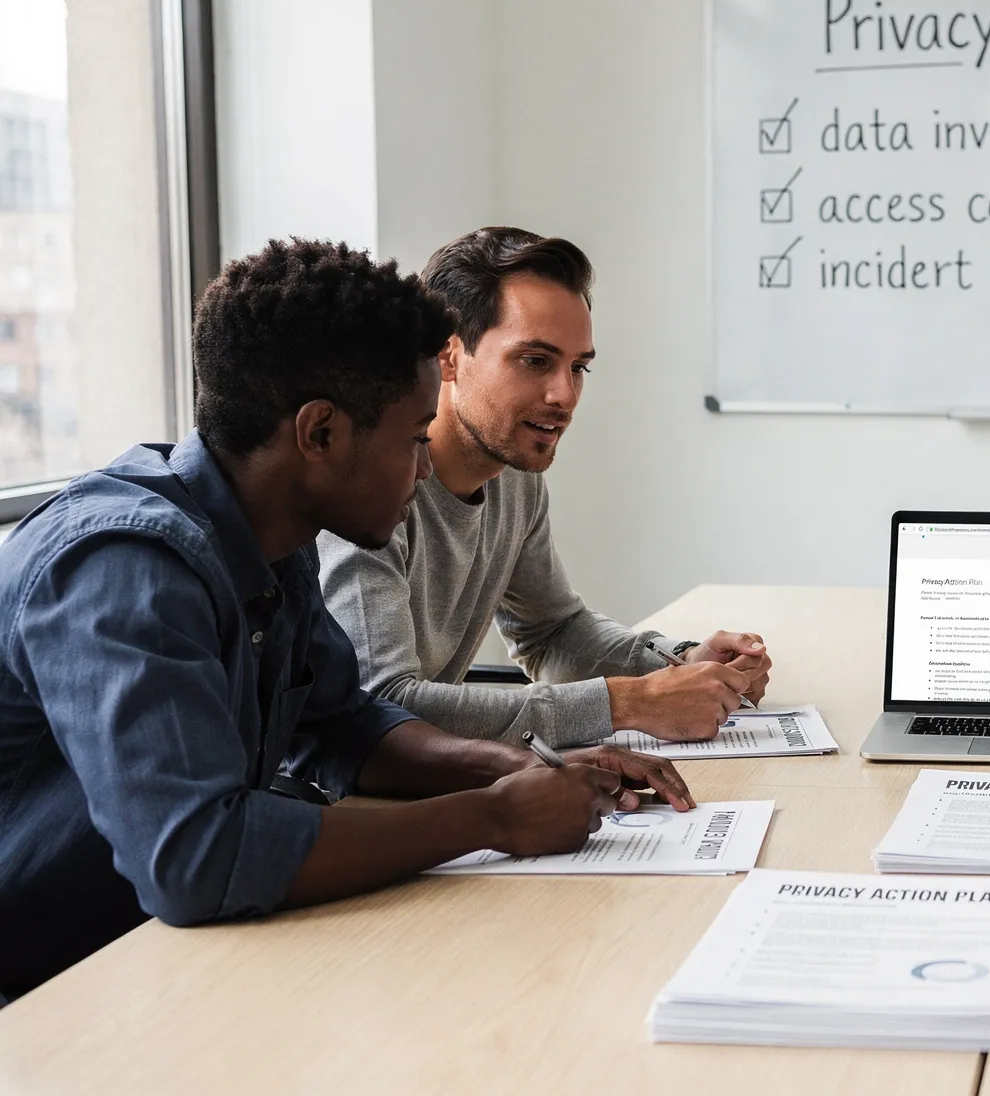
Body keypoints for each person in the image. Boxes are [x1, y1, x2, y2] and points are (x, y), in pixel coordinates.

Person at [0, 240, 693, 1000]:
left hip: (151, 961)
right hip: (42, 997)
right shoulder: (123, 569)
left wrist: (518, 765)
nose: (427, 467)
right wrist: (491, 818)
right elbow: (198, 859)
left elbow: (344, 725)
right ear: (320, 434)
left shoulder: (274, 538)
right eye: (410, 441)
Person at [319, 228, 770, 748]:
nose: (564, 394)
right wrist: (629, 703)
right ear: (448, 355)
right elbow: (385, 705)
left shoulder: (512, 474)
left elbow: (551, 632)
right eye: (535, 361)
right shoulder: (366, 491)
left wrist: (677, 658)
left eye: (578, 367)